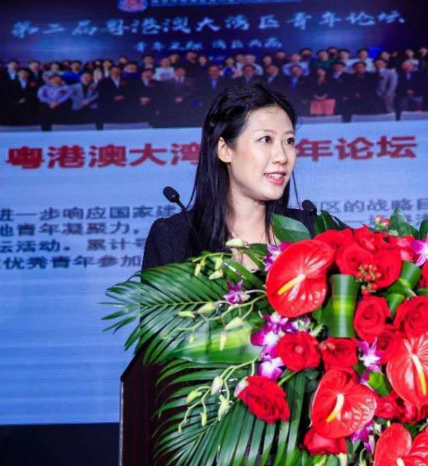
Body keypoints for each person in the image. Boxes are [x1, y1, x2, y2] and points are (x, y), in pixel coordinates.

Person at [131, 83, 315, 466]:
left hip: (302, 443)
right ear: (224, 149)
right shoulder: (176, 240)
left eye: (289, 141)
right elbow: (157, 358)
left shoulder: (312, 233)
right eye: (266, 140)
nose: (282, 156)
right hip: (210, 446)